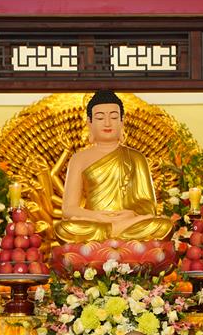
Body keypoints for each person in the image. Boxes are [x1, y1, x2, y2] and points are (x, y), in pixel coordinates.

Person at [56, 90, 173, 243]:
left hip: (128, 222)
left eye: (113, 117)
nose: (107, 123)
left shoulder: (137, 158)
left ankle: (110, 233)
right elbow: (68, 209)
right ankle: (115, 233)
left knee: (163, 226)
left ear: (122, 121)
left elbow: (149, 207)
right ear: (89, 122)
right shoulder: (78, 159)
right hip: (95, 222)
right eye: (100, 117)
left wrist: (132, 214)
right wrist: (96, 216)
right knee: (63, 228)